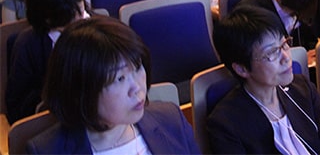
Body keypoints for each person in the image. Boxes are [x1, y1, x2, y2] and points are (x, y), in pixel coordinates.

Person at [26, 17, 200, 154]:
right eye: (120, 79)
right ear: (81, 91)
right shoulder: (44, 151)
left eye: (138, 67)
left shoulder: (170, 118)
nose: (137, 88)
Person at [207, 6, 320, 154]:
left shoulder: (302, 88)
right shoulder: (226, 123)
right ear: (241, 69)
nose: (286, 57)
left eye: (284, 44)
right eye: (272, 52)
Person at [6, 0, 90, 124]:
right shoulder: (28, 45)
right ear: (48, 20)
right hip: (54, 123)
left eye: (82, 11)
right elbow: (16, 106)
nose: (81, 21)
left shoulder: (101, 26)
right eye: (71, 21)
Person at [236, 0, 318, 50]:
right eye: (293, 13)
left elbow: (309, 38)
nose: (294, 17)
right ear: (279, 0)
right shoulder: (249, 15)